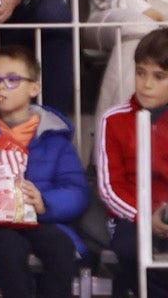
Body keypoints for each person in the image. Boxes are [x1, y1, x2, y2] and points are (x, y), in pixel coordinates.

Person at [0, 45, 87, 298]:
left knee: (60, 247)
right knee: (10, 248)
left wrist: (45, 202)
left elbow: (77, 191)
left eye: (12, 80)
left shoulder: (54, 138)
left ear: (34, 88)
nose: (1, 87)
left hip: (40, 221)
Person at [98, 29, 168, 298]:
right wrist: (144, 216)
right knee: (130, 249)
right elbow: (109, 187)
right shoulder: (113, 119)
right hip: (130, 215)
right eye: (140, 73)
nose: (146, 84)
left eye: (158, 76)